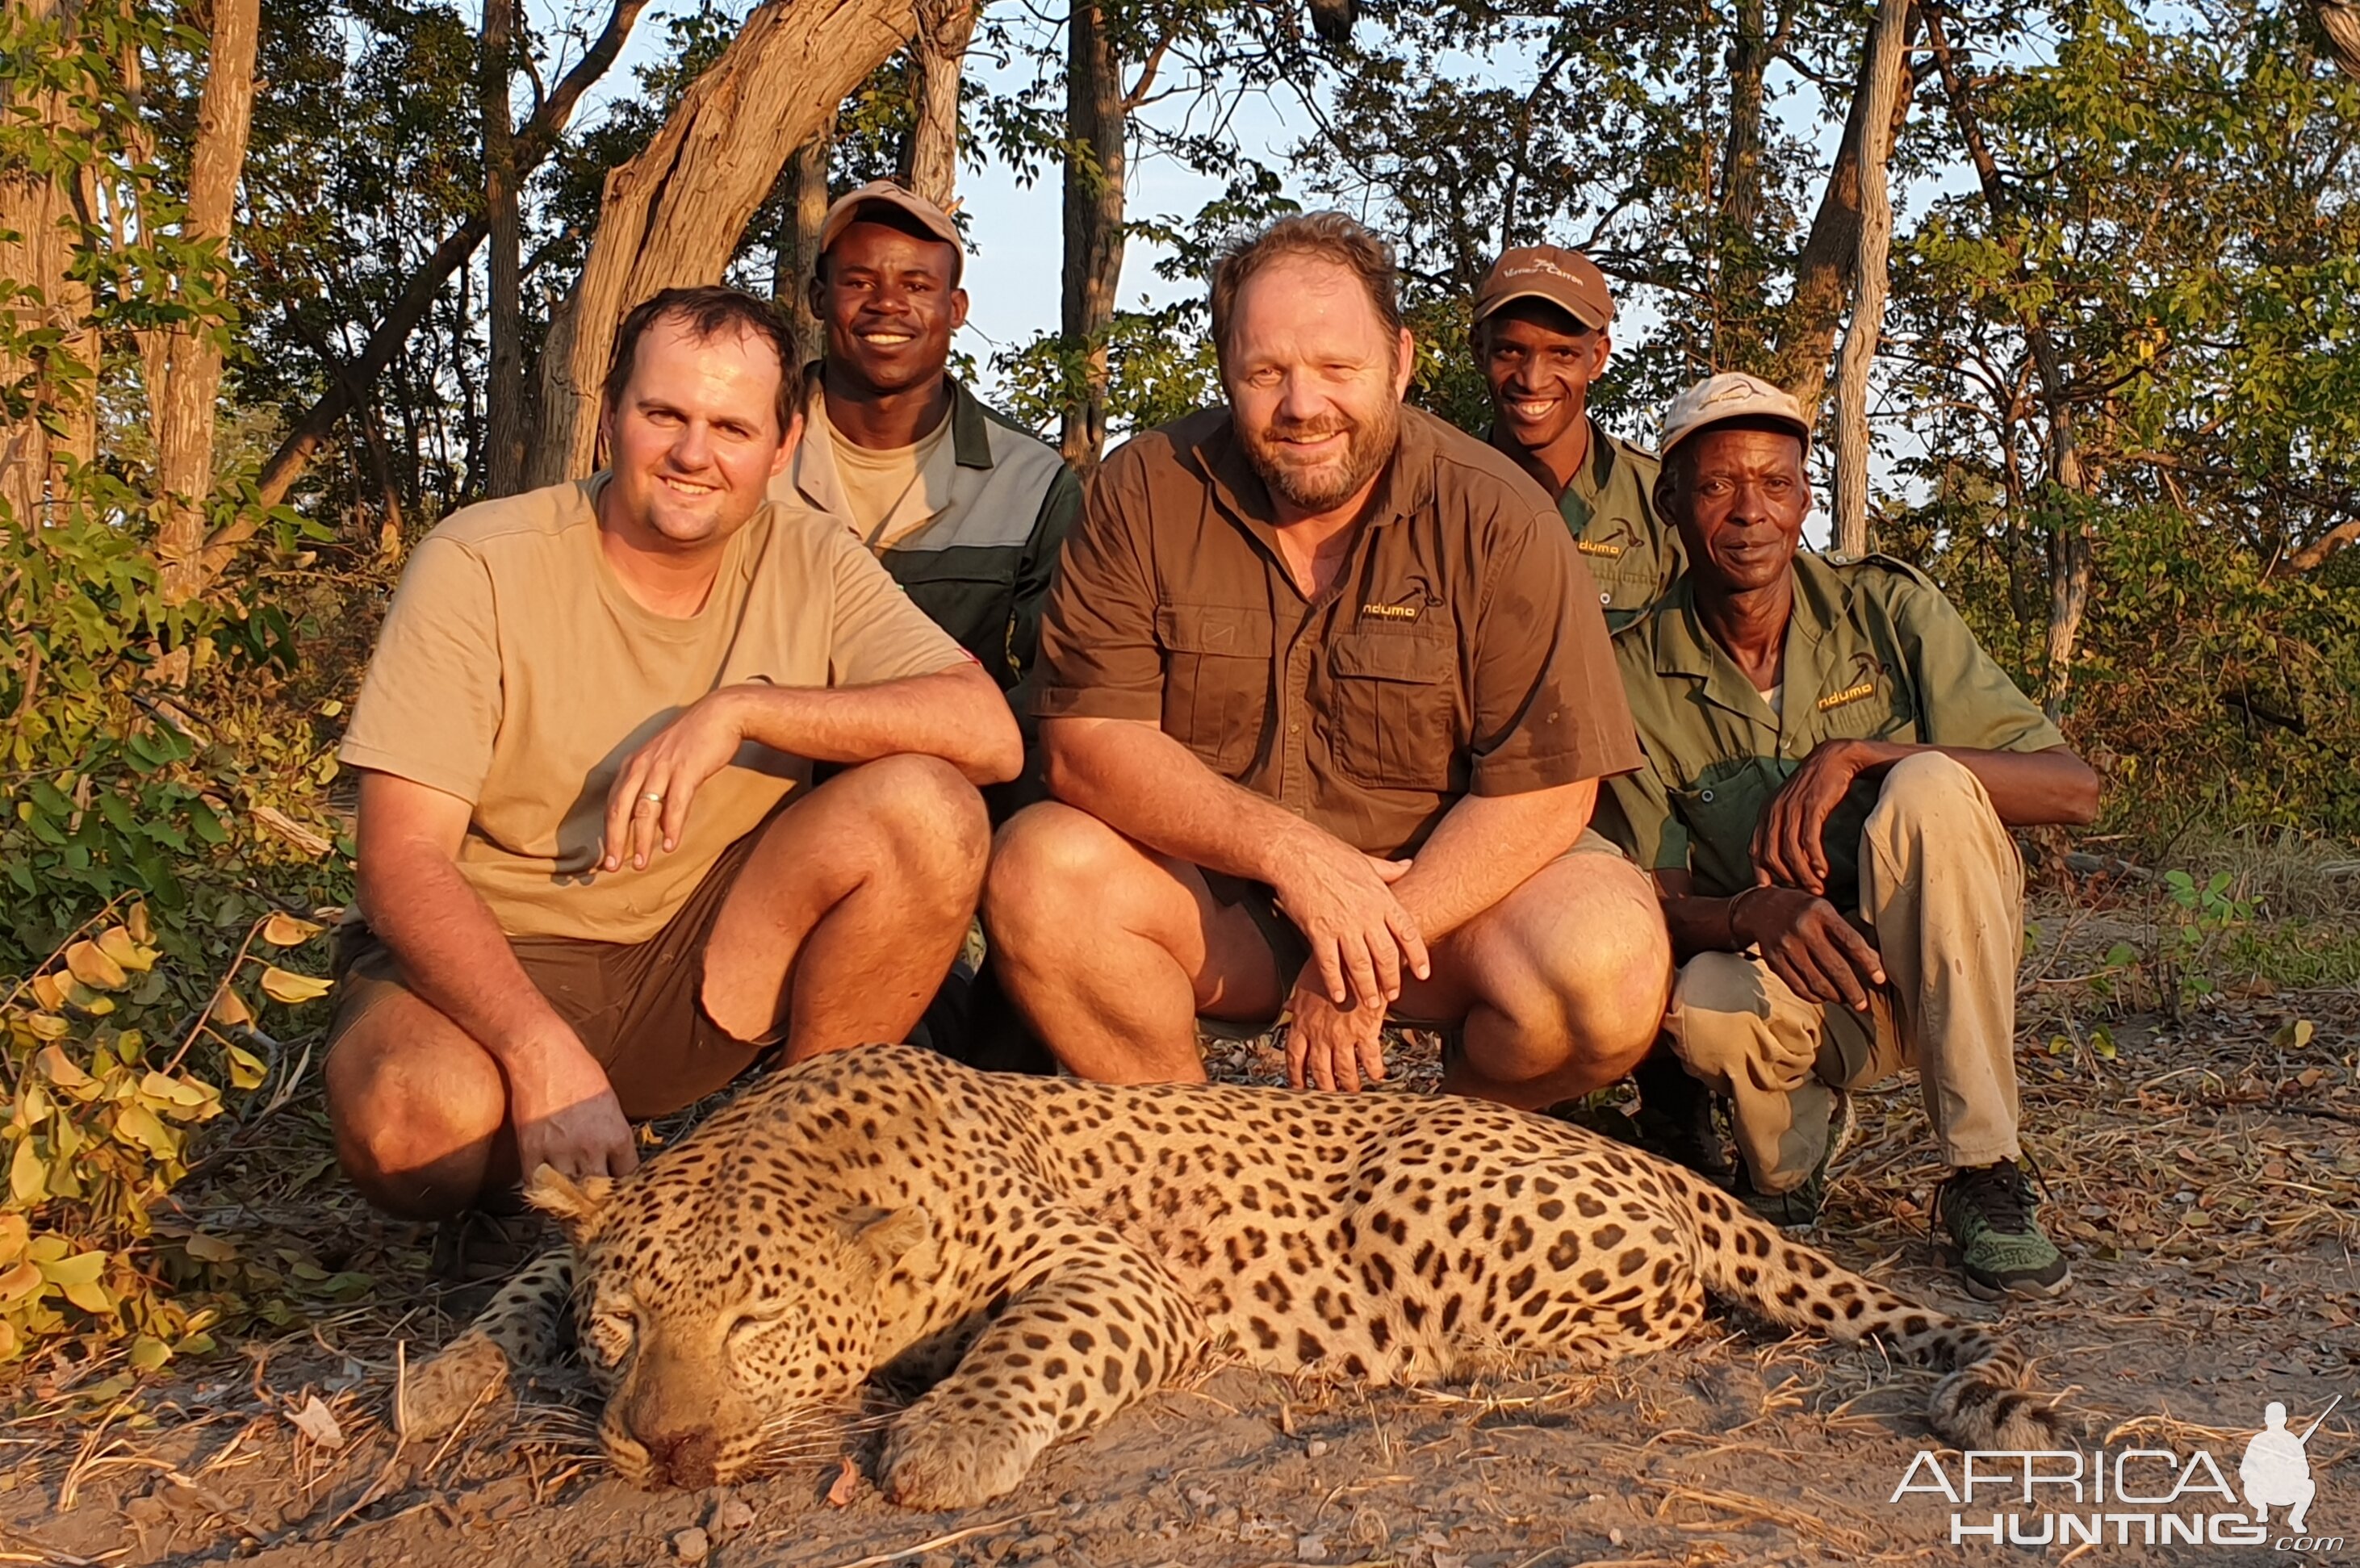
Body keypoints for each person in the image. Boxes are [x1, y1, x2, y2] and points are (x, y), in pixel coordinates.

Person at [324, 286, 1022, 1243]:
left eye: (732, 427)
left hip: (701, 953)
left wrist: (742, 708)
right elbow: (400, 858)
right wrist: (537, 1048)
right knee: (414, 1125)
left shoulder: (810, 554)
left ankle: (790, 1168)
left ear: (781, 449)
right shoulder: (480, 561)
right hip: (505, 950)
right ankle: (528, 1196)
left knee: (929, 807)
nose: (695, 455)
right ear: (610, 417)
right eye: (665, 415)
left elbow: (987, 731)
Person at [982, 212, 1671, 1106]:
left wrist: (1366, 943)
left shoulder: (1502, 517)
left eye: (1338, 369)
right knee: (1040, 873)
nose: (1302, 406)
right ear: (1226, 369)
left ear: (1401, 362)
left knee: (1607, 966)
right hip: (1220, 905)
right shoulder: (1142, 487)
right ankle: (1207, 1175)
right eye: (1265, 372)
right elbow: (1087, 743)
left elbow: (1545, 790)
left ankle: (1442, 1162)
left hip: (1438, 912)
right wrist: (1291, 854)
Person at [1601, 370, 2100, 1299]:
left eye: (1775, 483)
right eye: (1715, 485)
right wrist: (1754, 910)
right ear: (1668, 501)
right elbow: (1651, 901)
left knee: (1928, 784)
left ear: (1805, 498)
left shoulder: (1887, 608)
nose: (1749, 512)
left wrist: (1863, 753)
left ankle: (1983, 1169)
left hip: (1944, 969)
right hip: (1809, 992)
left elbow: (2072, 791)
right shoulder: (1630, 668)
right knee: (1704, 999)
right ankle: (1786, 1169)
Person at [774, 179, 1079, 732]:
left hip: (954, 781)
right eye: (859, 281)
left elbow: (1055, 682)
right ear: (819, 299)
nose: (887, 304)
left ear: (955, 308)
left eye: (916, 285)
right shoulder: (743, 452)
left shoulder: (1030, 483)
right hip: (759, 776)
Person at [1472, 245, 1678, 631]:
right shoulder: (1435, 496)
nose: (1533, 380)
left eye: (1562, 354)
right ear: (1479, 350)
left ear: (1597, 358)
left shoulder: (1661, 504)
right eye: (1511, 351)